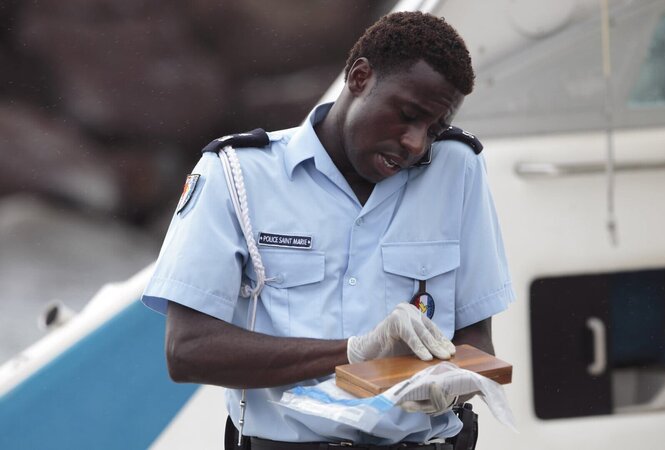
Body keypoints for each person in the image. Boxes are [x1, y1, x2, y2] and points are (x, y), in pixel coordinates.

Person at [141, 11, 514, 450]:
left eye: (434, 129)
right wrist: (356, 350)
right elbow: (187, 351)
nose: (416, 143)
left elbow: (476, 343)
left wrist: (449, 385)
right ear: (359, 77)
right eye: (408, 115)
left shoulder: (458, 168)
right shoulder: (237, 175)